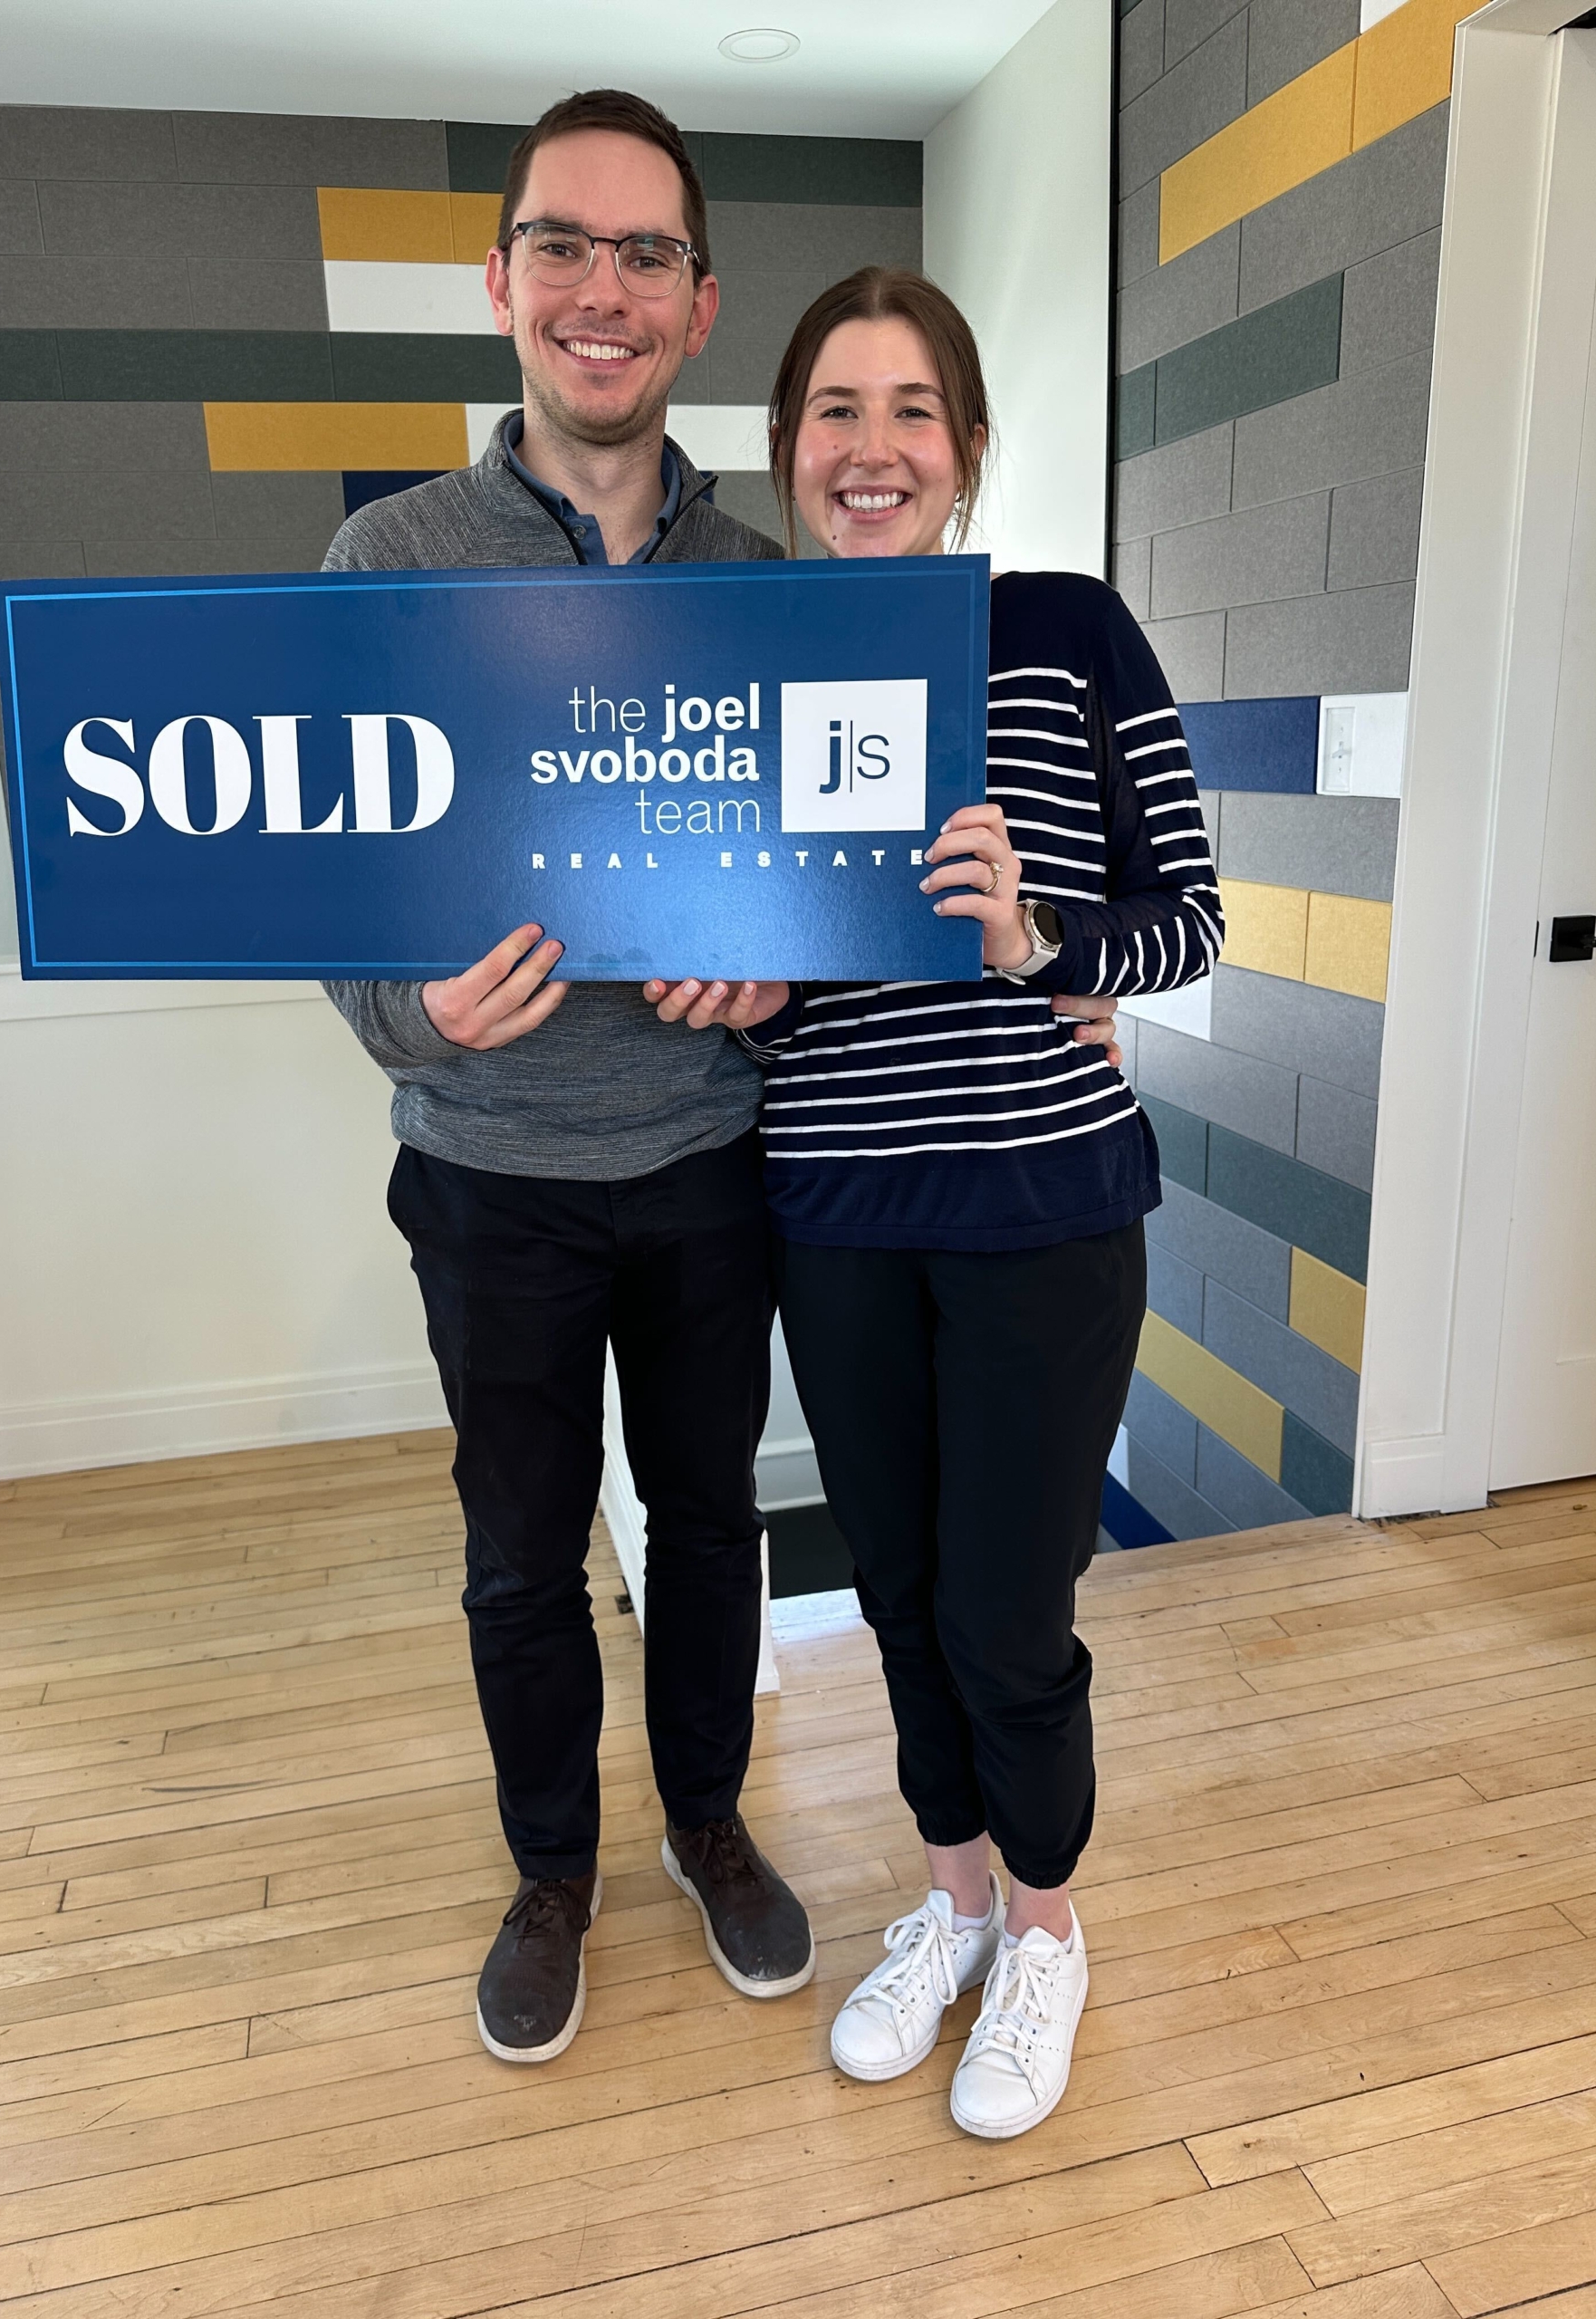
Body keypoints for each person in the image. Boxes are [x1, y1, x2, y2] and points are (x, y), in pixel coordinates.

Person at [646, 267, 1221, 2139]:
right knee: (896, 1594)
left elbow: (1191, 919)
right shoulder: (751, 666)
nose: (871, 447)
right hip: (837, 1209)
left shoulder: (1066, 628)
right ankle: (955, 1902)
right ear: (787, 444)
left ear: (965, 448)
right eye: (836, 409)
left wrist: (1040, 937)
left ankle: (1046, 1932)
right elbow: (766, 960)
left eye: (911, 410)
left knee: (1005, 1612)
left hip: (1044, 1210)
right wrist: (745, 985)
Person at [320, 88, 821, 2067]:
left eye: (645, 253)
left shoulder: (768, 577)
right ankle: (553, 1872)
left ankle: (707, 1821)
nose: (600, 289)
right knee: (521, 1557)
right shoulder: (385, 557)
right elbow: (324, 886)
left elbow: (831, 876)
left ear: (699, 303)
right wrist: (415, 1016)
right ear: (503, 278)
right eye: (562, 245)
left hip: (708, 1165)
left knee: (708, 1529)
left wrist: (781, 974)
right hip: (487, 1174)